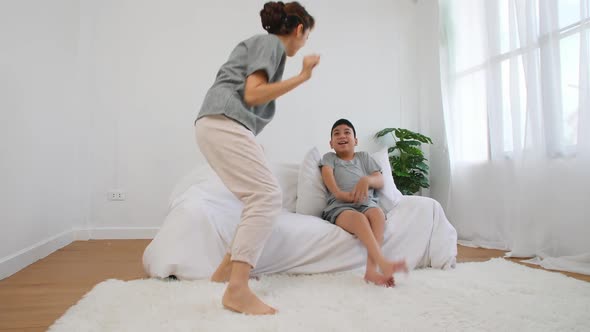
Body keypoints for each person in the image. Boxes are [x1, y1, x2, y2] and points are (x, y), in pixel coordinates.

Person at [194, 2, 319, 315]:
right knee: (266, 196)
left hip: (215, 123)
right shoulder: (269, 44)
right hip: (223, 121)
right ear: (299, 29)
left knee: (257, 197)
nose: (305, 43)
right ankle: (237, 289)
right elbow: (252, 94)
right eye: (307, 35)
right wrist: (303, 76)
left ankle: (225, 272)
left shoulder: (260, 45)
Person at [320, 119, 407, 287]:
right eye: (336, 133)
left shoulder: (364, 157)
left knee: (377, 214)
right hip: (340, 207)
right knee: (359, 219)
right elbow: (327, 175)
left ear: (356, 140)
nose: (342, 136)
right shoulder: (330, 158)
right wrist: (340, 194)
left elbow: (380, 180)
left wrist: (366, 180)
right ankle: (383, 263)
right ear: (331, 143)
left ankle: (371, 271)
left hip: (367, 204)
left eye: (347, 132)